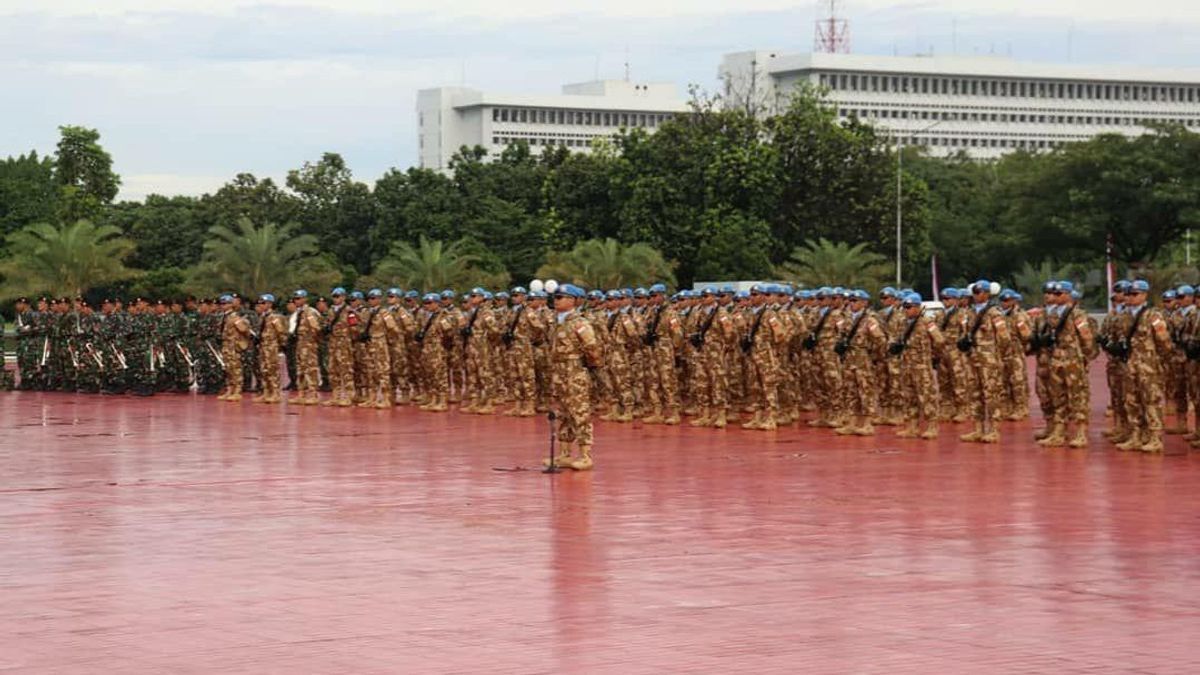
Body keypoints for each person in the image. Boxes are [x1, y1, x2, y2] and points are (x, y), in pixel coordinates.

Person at [544, 284, 603, 471]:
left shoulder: (580, 323)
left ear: (573, 300)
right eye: (556, 296)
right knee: (564, 413)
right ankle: (565, 454)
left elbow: (592, 347)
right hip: (559, 372)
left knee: (579, 413)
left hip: (574, 371)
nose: (556, 300)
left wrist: (590, 365)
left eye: (561, 297)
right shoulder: (557, 322)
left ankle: (585, 456)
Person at [1117, 280, 1173, 452]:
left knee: (1151, 400)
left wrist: (1158, 361)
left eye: (1135, 294)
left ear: (1144, 295)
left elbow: (1165, 342)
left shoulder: (1153, 315)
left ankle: (1155, 437)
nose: (1131, 297)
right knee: (1132, 401)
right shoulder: (1125, 316)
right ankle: (1136, 435)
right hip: (1130, 364)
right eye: (1128, 294)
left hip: (1149, 366)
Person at [892, 292, 943, 439]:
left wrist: (932, 356)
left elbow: (939, 341)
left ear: (918, 307)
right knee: (909, 397)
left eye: (909, 307)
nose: (906, 310)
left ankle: (932, 427)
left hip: (922, 366)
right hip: (906, 365)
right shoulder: (902, 323)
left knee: (927, 396)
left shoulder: (927, 322)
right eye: (905, 307)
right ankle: (912, 427)